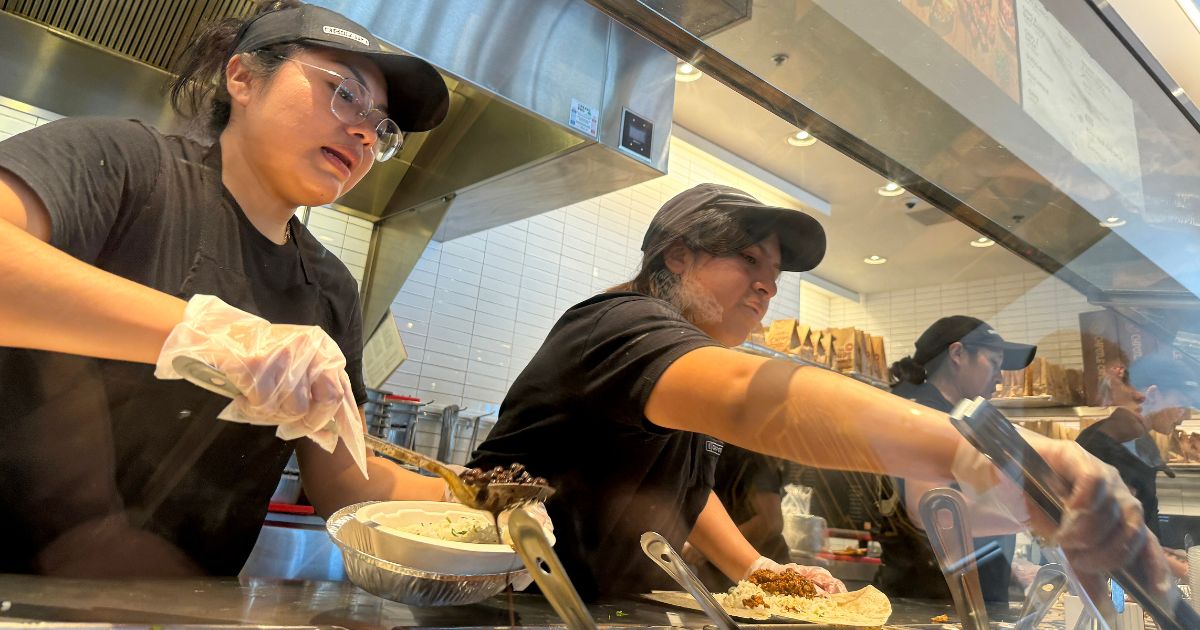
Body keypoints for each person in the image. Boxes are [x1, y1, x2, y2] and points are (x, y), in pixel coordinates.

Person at [468, 183, 1167, 608]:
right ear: (676, 256)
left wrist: (757, 567)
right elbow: (753, 396)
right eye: (748, 258)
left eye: (774, 271)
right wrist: (997, 457)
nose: (769, 284)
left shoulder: (674, 364)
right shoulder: (621, 326)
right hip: (496, 605)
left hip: (586, 605)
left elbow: (684, 485)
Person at [0, 1, 463, 576]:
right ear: (242, 77)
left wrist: (472, 506)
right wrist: (215, 337)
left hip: (185, 608)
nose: (366, 132)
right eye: (345, 93)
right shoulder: (124, 164)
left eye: (382, 127)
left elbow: (340, 477)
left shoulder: (329, 291)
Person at [879, 316, 1036, 602]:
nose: (1000, 377)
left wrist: (1001, 566)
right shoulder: (926, 416)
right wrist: (1039, 517)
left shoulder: (958, 421)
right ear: (958, 354)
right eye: (994, 362)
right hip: (930, 604)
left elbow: (971, 511)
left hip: (956, 600)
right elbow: (935, 508)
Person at [1077, 353, 1200, 546]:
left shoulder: (1142, 441)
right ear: (1152, 395)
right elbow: (1110, 539)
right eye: (1181, 405)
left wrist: (1165, 557)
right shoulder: (1099, 447)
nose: (1183, 418)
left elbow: (1147, 516)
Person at [686, 444, 791, 591]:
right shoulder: (703, 444)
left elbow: (771, 522)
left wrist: (709, 545)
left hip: (764, 568)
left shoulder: (751, 450)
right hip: (724, 572)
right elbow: (696, 495)